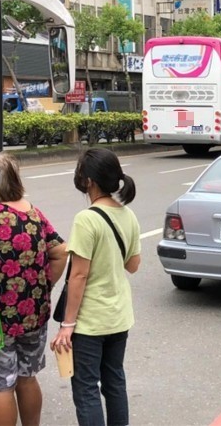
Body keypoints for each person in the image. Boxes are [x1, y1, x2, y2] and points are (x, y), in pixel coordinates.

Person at [50, 148, 141, 426]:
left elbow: (78, 276)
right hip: (119, 316)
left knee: (86, 387)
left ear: (88, 180)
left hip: (90, 323)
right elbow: (133, 265)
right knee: (114, 382)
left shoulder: (86, 219)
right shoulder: (128, 215)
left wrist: (67, 324)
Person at [0, 153, 67, 426]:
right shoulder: (32, 211)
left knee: (1, 384)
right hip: (33, 312)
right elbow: (60, 251)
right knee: (27, 377)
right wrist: (45, 285)